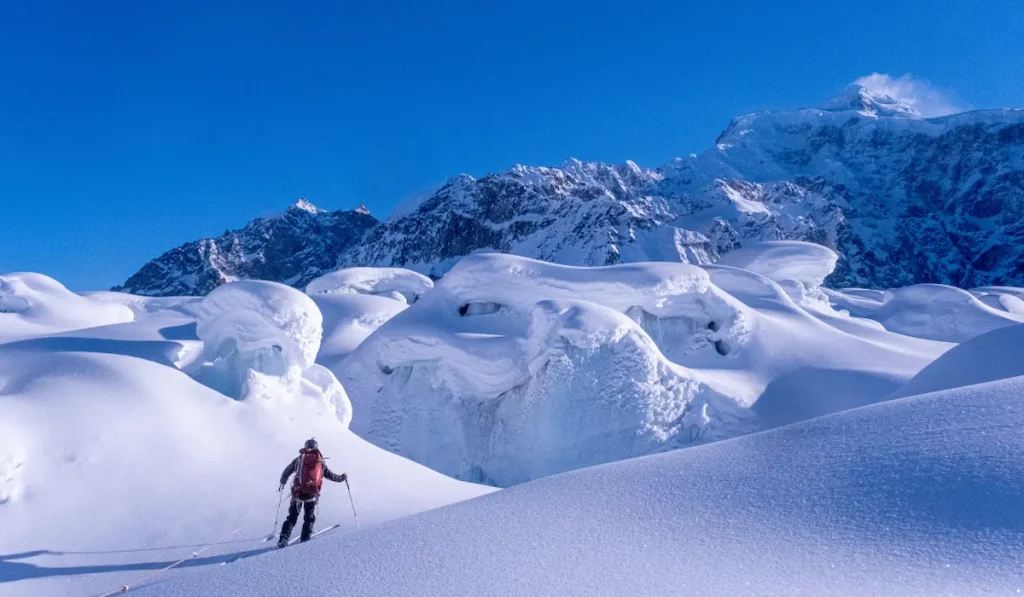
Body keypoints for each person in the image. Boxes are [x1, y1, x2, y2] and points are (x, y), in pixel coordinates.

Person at [277, 438, 347, 547]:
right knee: (309, 518)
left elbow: (288, 471)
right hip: (311, 495)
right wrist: (342, 477)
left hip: (297, 493)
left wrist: (283, 481)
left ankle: (283, 539)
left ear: (305, 447)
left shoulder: (299, 459)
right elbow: (331, 476)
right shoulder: (320, 462)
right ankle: (305, 541)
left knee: (292, 518)